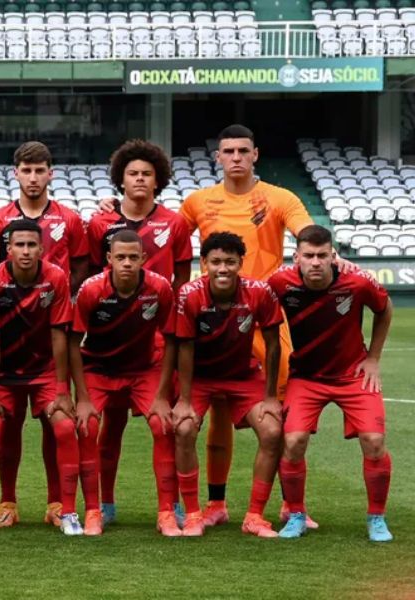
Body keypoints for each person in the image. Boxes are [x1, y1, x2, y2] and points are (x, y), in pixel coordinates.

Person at [98, 125, 316, 529]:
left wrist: (324, 251)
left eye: (242, 150)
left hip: (263, 317)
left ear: (256, 154)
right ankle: (215, 504)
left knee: (280, 416)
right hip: (212, 321)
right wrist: (114, 208)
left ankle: (292, 506)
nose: (235, 157)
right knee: (214, 411)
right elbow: (157, 232)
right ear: (217, 156)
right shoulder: (198, 202)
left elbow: (307, 233)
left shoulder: (280, 197)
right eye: (228, 151)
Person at [0, 141, 88, 529]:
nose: (33, 177)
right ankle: (7, 502)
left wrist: (50, 298)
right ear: (16, 174)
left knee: (53, 422)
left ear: (50, 173)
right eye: (26, 170)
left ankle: (57, 503)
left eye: (39, 170)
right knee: (6, 425)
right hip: (9, 342)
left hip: (52, 337)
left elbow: (81, 267)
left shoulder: (70, 220)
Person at [87, 139, 192, 527]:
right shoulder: (99, 222)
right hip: (110, 341)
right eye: (133, 173)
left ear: (158, 179)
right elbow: (88, 276)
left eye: (147, 173)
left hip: (157, 341)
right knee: (109, 425)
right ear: (121, 179)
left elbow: (181, 279)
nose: (140, 179)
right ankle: (106, 504)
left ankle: (172, 506)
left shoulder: (175, 223)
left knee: (162, 423)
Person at [270, 225, 394, 542]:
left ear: (332, 256)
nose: (315, 262)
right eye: (308, 256)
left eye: (322, 255)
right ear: (296, 257)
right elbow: (256, 304)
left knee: (374, 441)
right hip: (307, 377)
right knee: (294, 441)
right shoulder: (281, 283)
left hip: (352, 374)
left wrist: (374, 358)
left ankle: (376, 518)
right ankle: (295, 514)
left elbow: (384, 309)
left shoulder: (357, 281)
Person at [171, 232, 283, 538]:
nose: (223, 268)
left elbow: (273, 345)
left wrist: (271, 396)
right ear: (204, 263)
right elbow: (184, 347)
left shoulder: (260, 292)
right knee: (183, 428)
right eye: (216, 262)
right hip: (200, 378)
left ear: (240, 264)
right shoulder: (189, 294)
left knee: (273, 432)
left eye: (230, 262)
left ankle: (254, 517)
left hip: (243, 376)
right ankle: (193, 514)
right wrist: (182, 399)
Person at [71, 229, 179, 537]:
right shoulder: (92, 290)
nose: (127, 263)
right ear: (109, 260)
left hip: (142, 370)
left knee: (163, 425)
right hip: (99, 369)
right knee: (88, 426)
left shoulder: (159, 288)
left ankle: (166, 512)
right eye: (120, 257)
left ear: (144, 258)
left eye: (133, 257)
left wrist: (161, 395)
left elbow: (171, 339)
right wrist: (82, 396)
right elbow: (73, 344)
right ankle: (95, 510)